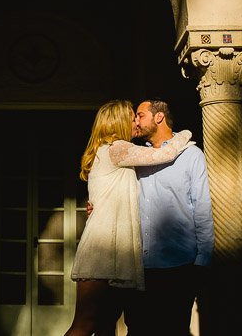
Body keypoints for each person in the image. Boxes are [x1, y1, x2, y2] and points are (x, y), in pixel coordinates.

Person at [64, 99, 194, 336]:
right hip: (104, 247)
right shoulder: (117, 148)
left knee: (103, 325)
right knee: (85, 324)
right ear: (119, 121)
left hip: (115, 247)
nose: (136, 121)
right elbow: (165, 153)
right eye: (132, 116)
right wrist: (184, 134)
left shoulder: (111, 151)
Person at [123, 99, 215, 335]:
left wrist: (202, 261)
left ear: (159, 117)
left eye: (140, 115)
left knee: (174, 329)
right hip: (138, 267)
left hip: (178, 266)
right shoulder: (134, 157)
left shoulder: (192, 155)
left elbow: (202, 209)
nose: (136, 121)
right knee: (137, 329)